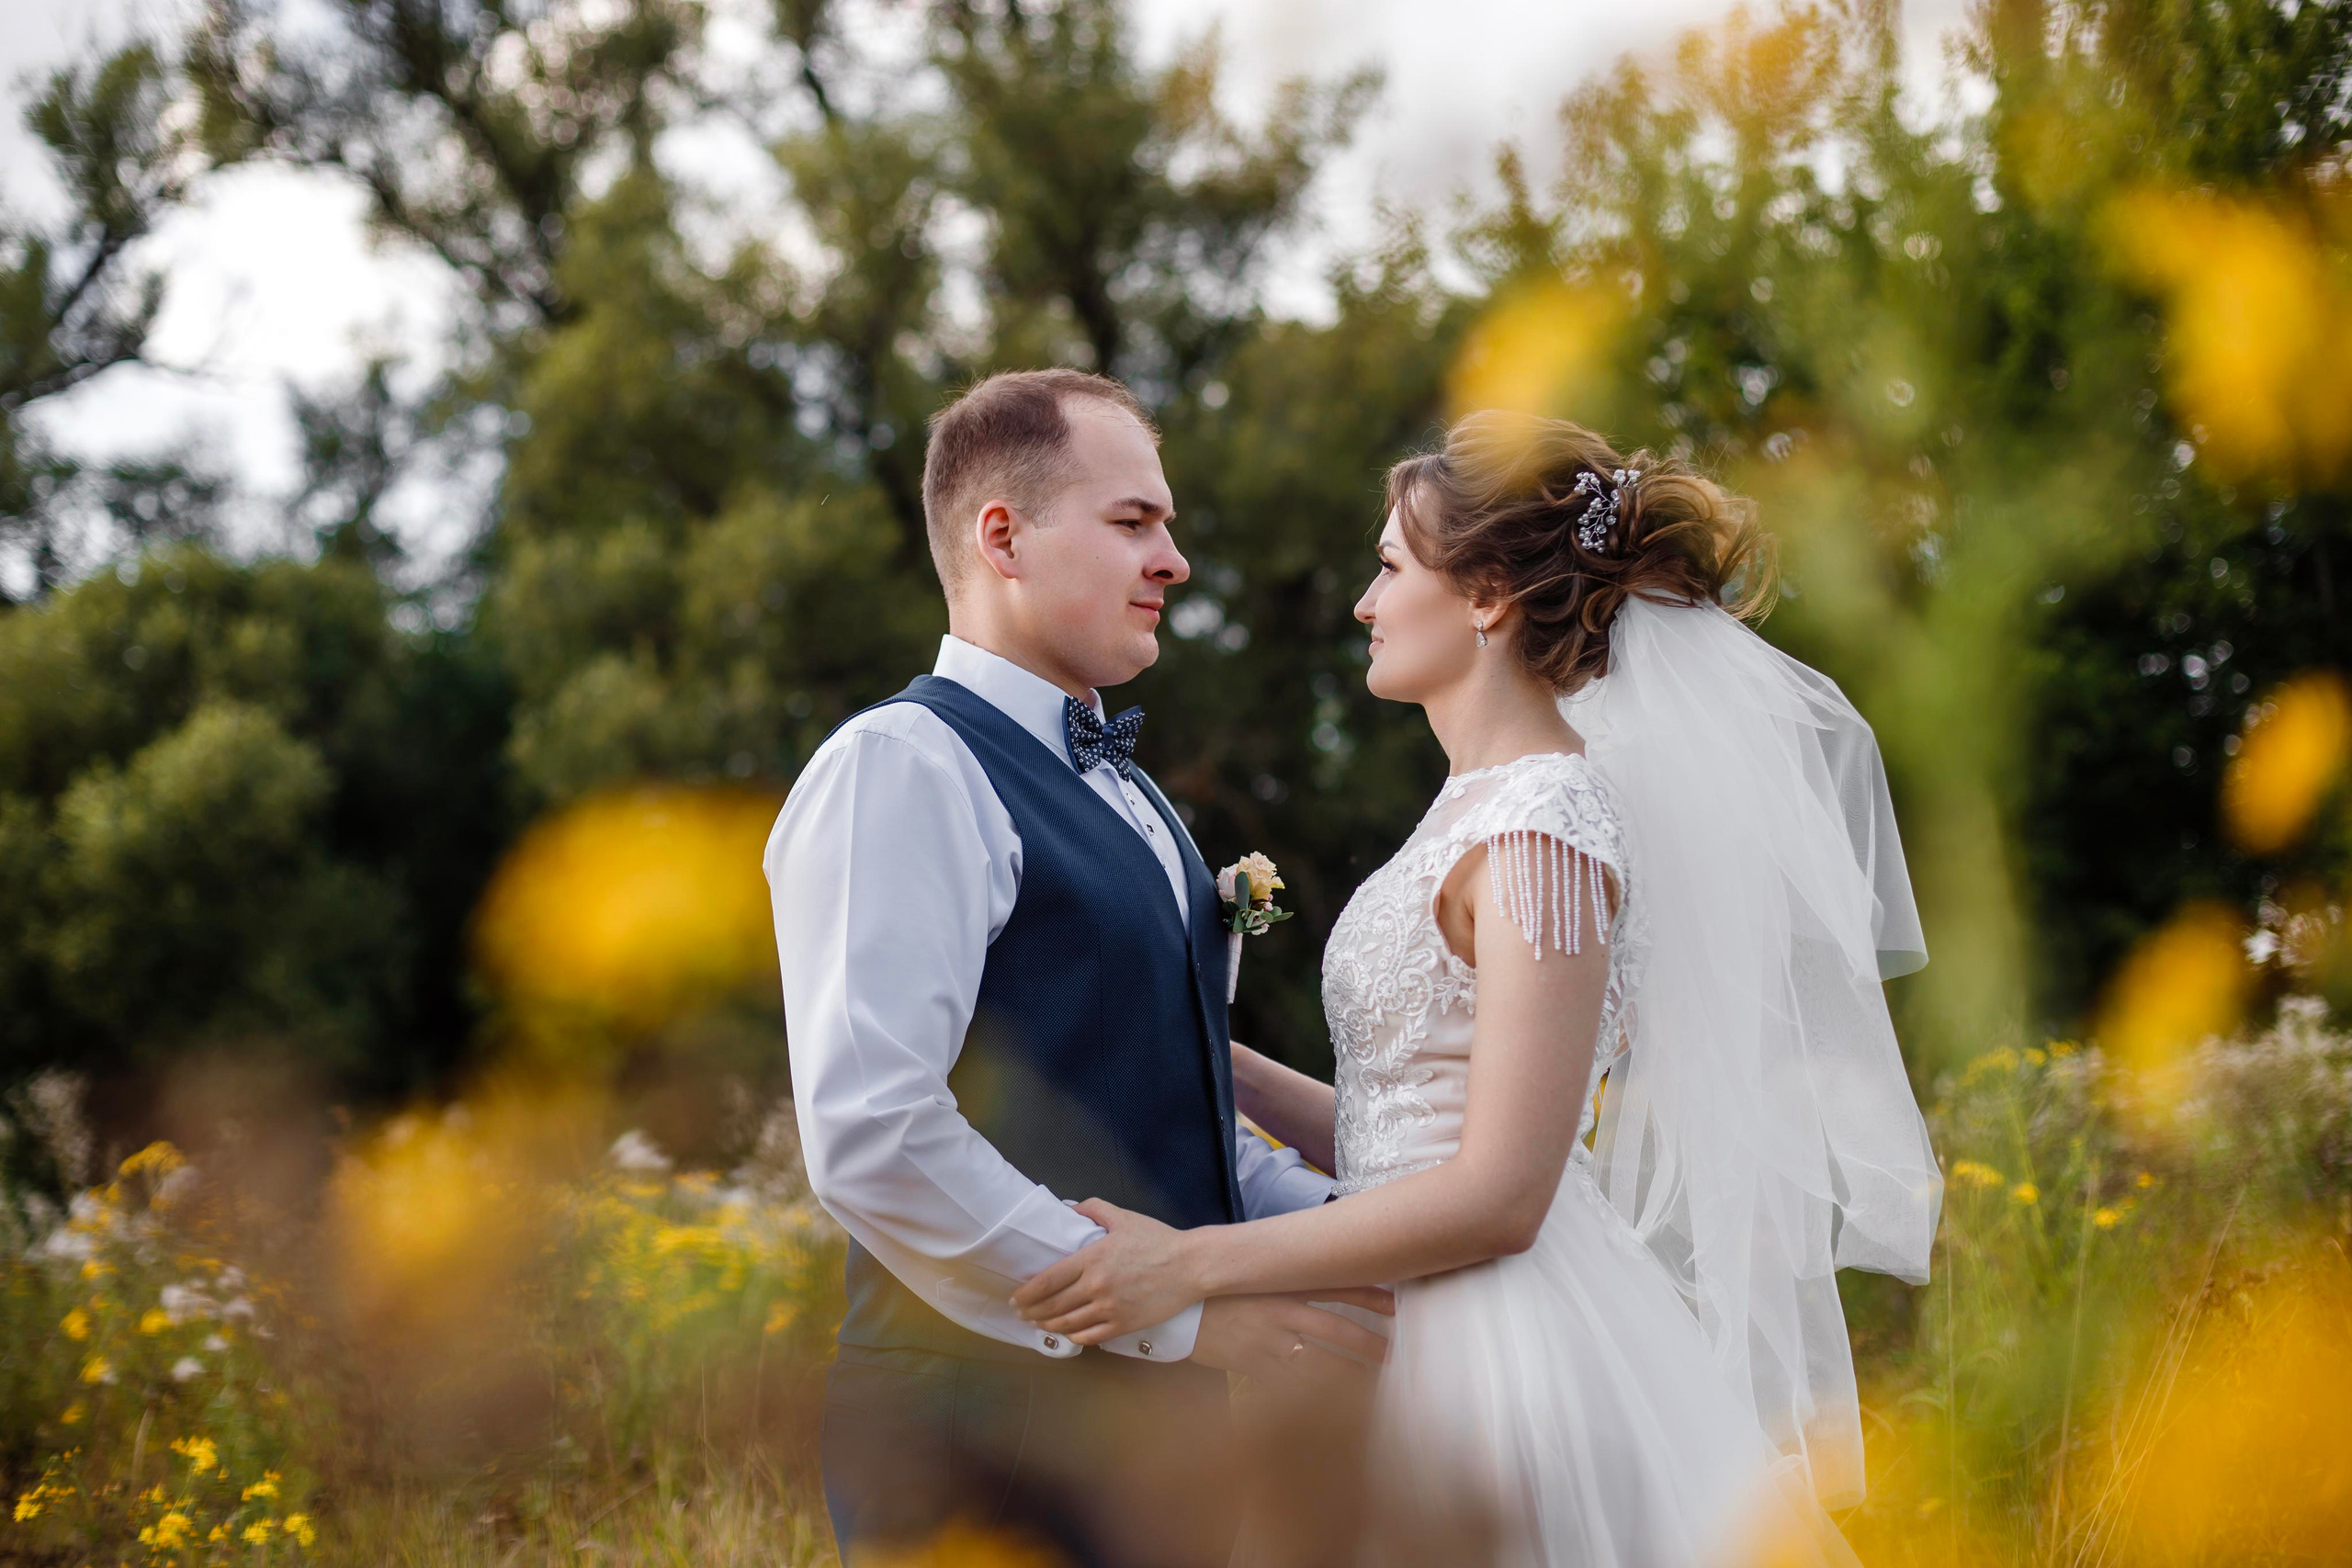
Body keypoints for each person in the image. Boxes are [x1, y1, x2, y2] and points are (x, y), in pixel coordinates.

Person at [1012, 412, 1945, 1567]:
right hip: (1410, 1314)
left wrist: (1185, 1264)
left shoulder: (1545, 825)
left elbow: (1502, 1192)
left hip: (1495, 1348)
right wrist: (1207, 1056)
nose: (1364, 602)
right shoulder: (1479, 804)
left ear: (1488, 594)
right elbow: (1401, 1122)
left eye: (1391, 567)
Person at [765, 369, 1392, 1568]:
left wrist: (1369, 1237)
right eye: (1133, 521)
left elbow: (1181, 1107)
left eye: (1167, 523)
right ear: (1002, 534)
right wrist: (1193, 1312)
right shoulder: (903, 766)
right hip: (976, 1431)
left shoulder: (1139, 798)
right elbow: (873, 1128)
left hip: (1170, 1436)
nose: (1175, 560)